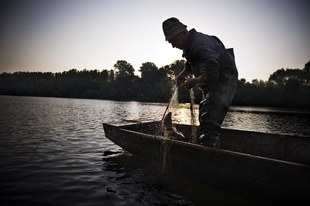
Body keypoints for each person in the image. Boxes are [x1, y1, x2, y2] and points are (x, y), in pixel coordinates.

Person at [162, 17, 238, 148]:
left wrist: (193, 81)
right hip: (211, 83)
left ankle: (209, 152)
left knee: (210, 117)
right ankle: (208, 144)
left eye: (174, 41)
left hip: (223, 80)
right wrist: (183, 74)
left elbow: (211, 76)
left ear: (184, 33)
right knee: (205, 111)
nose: (173, 45)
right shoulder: (189, 45)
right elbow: (192, 63)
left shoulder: (200, 44)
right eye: (170, 42)